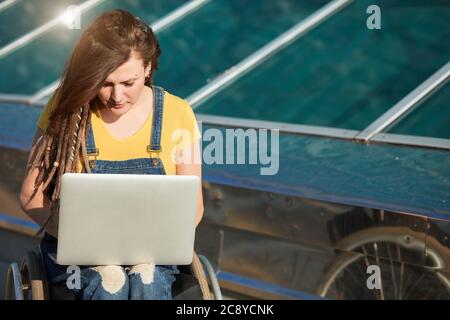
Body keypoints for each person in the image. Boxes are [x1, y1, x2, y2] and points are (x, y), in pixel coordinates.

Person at [19, 9, 203, 300]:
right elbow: (31, 195)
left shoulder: (177, 113)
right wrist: (82, 240)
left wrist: (145, 245)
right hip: (79, 258)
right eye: (105, 84)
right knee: (108, 285)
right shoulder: (66, 109)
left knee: (149, 282)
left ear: (148, 68)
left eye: (128, 83)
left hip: (152, 253)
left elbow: (193, 208)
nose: (116, 97)